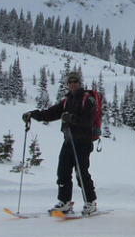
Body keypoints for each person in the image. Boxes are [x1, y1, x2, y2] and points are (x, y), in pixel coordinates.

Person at [22, 71, 97, 214]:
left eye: (75, 81)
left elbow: (88, 121)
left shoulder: (87, 100)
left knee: (81, 173)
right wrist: (33, 114)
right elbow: (50, 113)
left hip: (83, 142)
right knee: (62, 172)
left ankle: (90, 202)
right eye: (70, 82)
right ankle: (65, 202)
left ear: (80, 83)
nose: (73, 84)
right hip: (69, 141)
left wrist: (71, 119)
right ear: (67, 84)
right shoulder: (67, 101)